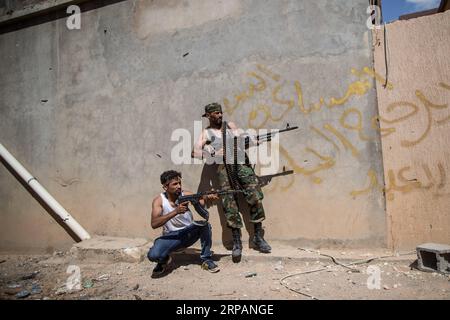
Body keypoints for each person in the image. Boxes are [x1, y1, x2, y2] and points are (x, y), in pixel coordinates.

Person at [191, 102, 271, 263]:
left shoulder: (230, 126)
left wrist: (252, 141)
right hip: (223, 169)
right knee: (229, 203)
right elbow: (194, 152)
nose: (219, 115)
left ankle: (257, 237)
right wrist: (212, 153)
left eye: (220, 112)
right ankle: (236, 242)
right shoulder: (206, 133)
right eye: (215, 113)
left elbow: (242, 140)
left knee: (255, 195)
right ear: (208, 116)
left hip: (241, 165)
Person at [147, 170, 220, 277]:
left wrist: (209, 197)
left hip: (188, 234)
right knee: (153, 255)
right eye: (175, 184)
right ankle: (164, 260)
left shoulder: (186, 194)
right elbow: (154, 224)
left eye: (180, 183)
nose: (179, 186)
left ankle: (206, 259)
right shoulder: (159, 201)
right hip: (172, 237)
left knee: (204, 225)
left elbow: (202, 202)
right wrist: (175, 211)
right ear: (165, 187)